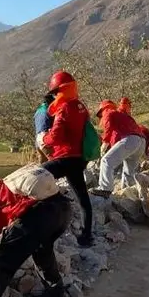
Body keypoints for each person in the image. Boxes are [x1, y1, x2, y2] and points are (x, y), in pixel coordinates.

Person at [39, 71, 94, 247]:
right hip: (79, 158)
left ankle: (41, 227)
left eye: (55, 92)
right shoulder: (80, 106)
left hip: (65, 157)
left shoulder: (63, 108)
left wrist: (44, 138)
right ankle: (87, 236)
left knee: (35, 177)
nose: (54, 96)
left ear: (59, 90)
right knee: (82, 198)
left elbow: (56, 136)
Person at [92, 100, 146, 197]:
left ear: (103, 109)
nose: (101, 117)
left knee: (106, 161)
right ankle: (130, 194)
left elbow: (108, 129)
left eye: (100, 115)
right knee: (128, 172)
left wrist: (104, 143)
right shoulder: (121, 116)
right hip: (141, 142)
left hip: (131, 140)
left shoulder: (109, 113)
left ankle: (105, 189)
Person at [33, 92, 55, 162]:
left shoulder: (38, 111)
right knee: (54, 162)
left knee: (42, 164)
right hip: (45, 138)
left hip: (38, 139)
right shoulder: (50, 110)